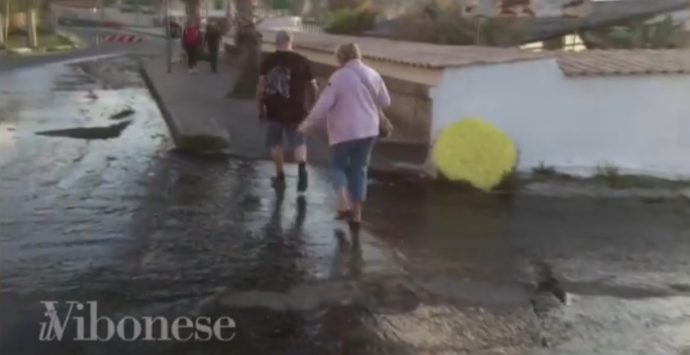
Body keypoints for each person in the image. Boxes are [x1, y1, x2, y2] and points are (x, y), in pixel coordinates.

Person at [298, 43, 391, 230]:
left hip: (345, 130)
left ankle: (343, 202)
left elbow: (324, 105)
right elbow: (386, 102)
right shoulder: (373, 74)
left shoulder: (339, 77)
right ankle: (357, 215)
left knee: (338, 165)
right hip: (369, 131)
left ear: (341, 57)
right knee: (360, 170)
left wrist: (307, 123)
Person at [257, 30, 318, 193]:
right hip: (297, 109)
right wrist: (313, 105)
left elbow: (261, 87)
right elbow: (313, 86)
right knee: (299, 141)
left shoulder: (268, 61)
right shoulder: (302, 61)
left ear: (277, 42)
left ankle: (280, 175)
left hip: (274, 108)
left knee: (275, 142)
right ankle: (302, 169)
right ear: (291, 41)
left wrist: (260, 106)